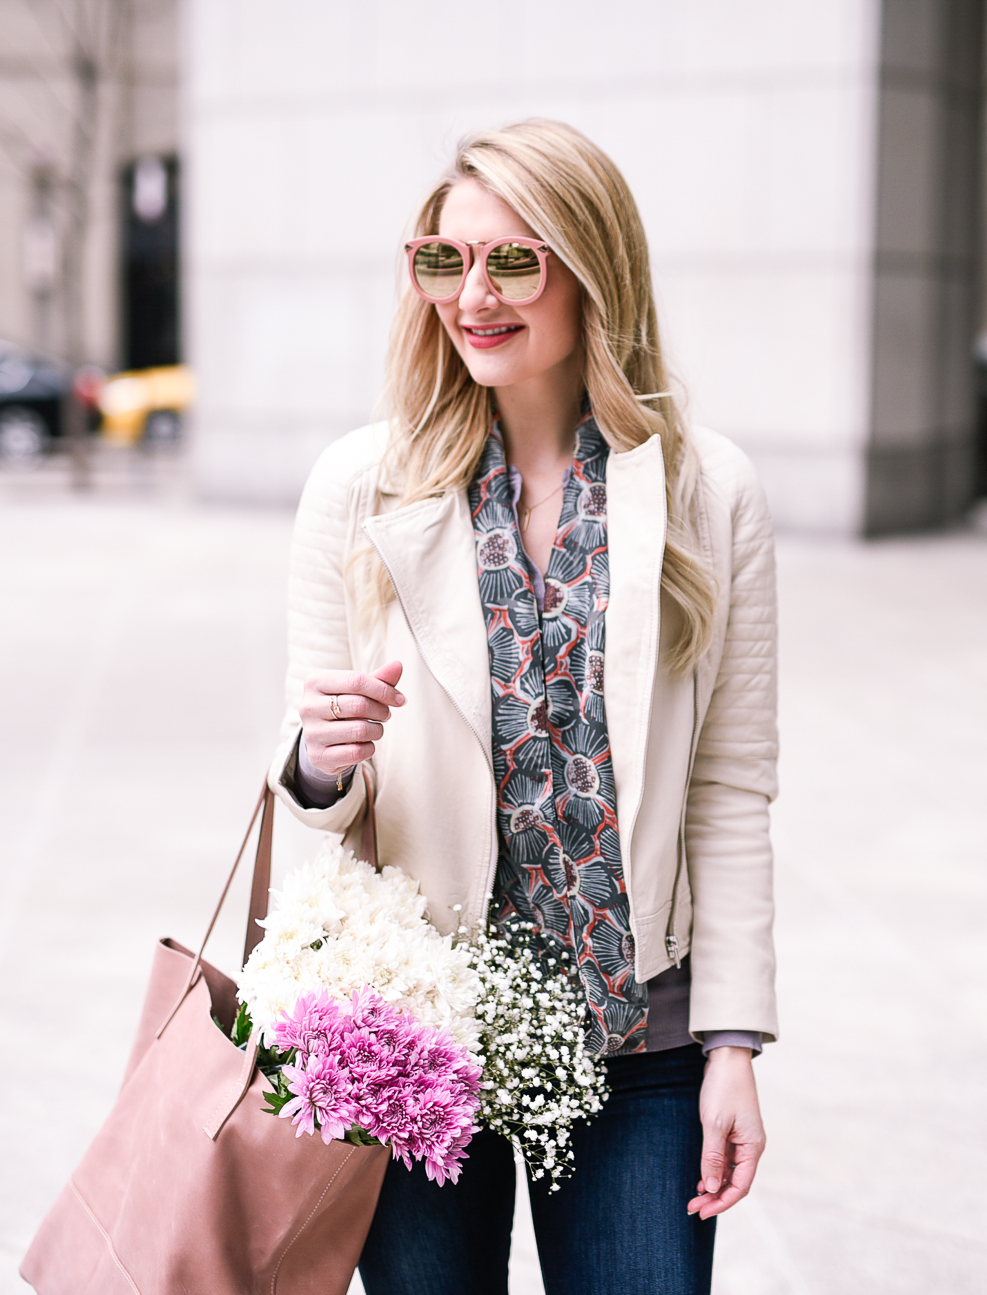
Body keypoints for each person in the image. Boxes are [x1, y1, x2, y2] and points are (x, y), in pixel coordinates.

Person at [267, 119, 778, 1295]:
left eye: (514, 261)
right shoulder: (360, 486)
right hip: (413, 1031)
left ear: (593, 267)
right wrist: (317, 757)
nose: (473, 296)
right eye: (444, 261)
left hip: (639, 1039)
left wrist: (734, 1042)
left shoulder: (710, 493)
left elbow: (731, 783)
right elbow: (312, 781)